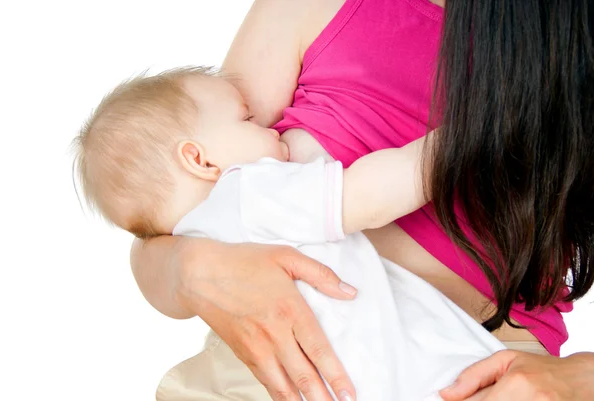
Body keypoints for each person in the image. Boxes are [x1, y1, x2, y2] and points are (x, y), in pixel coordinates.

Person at [130, 0, 594, 400]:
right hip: (296, 353)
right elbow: (164, 216)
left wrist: (580, 378)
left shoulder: (573, 45)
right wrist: (193, 270)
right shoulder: (308, 9)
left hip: (484, 371)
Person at [74, 66, 506, 401]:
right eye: (247, 119)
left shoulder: (200, 236)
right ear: (200, 161)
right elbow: (367, 198)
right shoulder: (248, 192)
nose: (268, 125)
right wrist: (465, 137)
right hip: (398, 378)